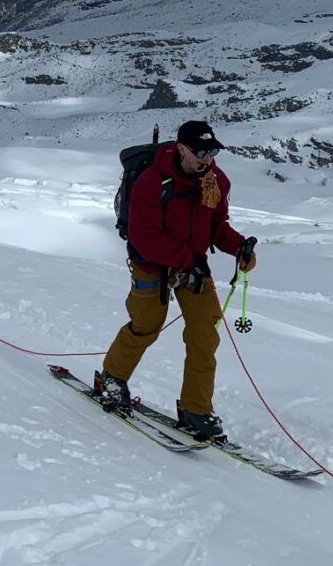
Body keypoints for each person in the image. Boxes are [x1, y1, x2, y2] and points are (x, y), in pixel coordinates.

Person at [95, 120, 258, 441]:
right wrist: (187, 261)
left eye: (213, 151)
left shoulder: (214, 181)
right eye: (201, 152)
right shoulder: (152, 182)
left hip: (192, 265)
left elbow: (216, 225)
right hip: (152, 263)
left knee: (204, 335)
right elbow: (144, 237)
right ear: (181, 148)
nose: (208, 159)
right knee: (146, 325)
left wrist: (237, 245)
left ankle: (196, 409)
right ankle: (111, 379)